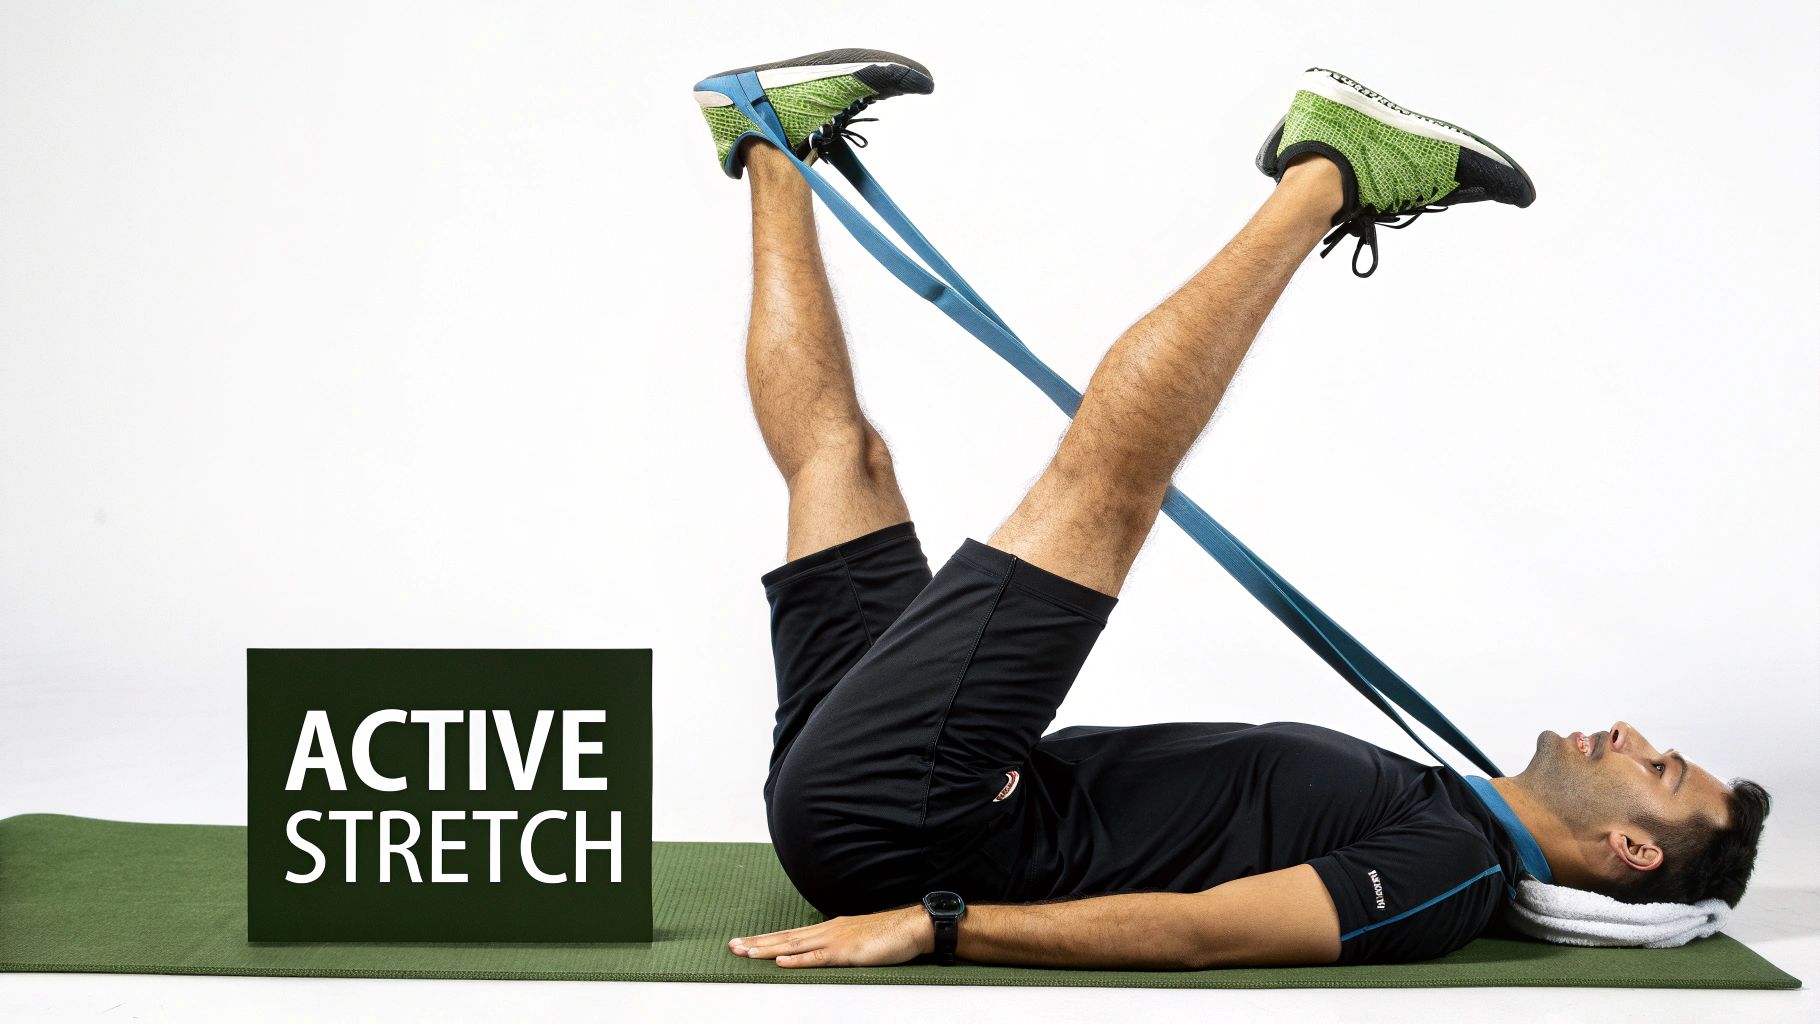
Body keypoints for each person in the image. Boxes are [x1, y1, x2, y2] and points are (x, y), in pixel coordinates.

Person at [692, 50, 1771, 969]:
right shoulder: (1448, 803)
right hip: (895, 793)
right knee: (844, 462)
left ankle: (1329, 169)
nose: (1631, 737)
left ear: (1633, 851)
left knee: (1108, 483)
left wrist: (939, 925)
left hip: (915, 819)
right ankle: (766, 136)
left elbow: (1203, 933)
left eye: (1658, 769)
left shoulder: (1450, 873)